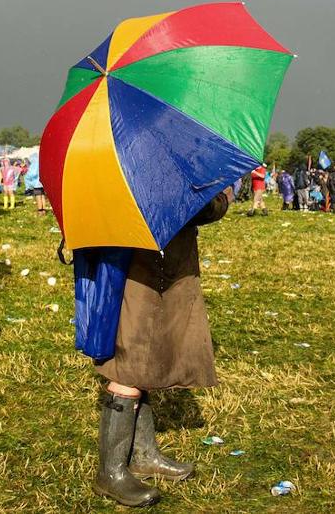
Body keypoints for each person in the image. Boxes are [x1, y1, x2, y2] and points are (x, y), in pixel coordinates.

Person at [91, 190, 231, 507]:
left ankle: (142, 454)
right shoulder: (154, 162)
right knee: (130, 362)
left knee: (146, 359)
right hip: (138, 268)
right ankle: (109, 472)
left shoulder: (146, 155)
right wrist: (218, 198)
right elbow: (195, 209)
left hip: (161, 266)